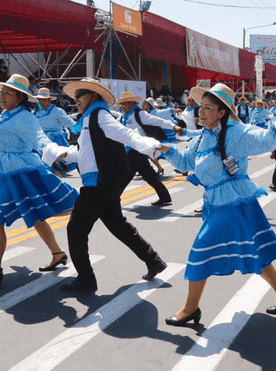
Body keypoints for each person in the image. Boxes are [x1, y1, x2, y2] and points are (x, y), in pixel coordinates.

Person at [156, 83, 276, 325]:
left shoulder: (235, 133)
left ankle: (190, 309)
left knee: (200, 252)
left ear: (222, 113)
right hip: (217, 205)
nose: (201, 112)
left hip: (233, 205)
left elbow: (268, 140)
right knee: (258, 254)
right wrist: (166, 149)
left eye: (207, 108)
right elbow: (186, 161)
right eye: (201, 107)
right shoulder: (202, 137)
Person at [0, 74, 79, 288]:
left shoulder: (24, 117)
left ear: (19, 98)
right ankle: (57, 253)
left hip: (18, 172)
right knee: (20, 216)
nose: (2, 96)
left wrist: (55, 150)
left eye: (8, 93)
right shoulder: (5, 115)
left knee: (0, 219)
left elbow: (39, 138)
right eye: (2, 92)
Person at [57, 78, 168, 291]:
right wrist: (60, 153)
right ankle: (153, 260)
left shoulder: (99, 115)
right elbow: (84, 151)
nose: (76, 98)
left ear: (94, 96)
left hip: (98, 184)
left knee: (76, 229)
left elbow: (125, 134)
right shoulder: (90, 118)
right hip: (103, 183)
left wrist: (152, 145)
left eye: (81, 94)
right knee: (119, 226)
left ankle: (86, 278)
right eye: (76, 95)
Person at [116, 91, 184, 206]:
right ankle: (165, 197)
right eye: (121, 105)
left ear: (131, 104)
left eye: (124, 104)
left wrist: (173, 126)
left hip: (137, 150)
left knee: (124, 175)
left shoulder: (140, 114)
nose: (121, 107)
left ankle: (113, 199)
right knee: (149, 175)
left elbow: (158, 121)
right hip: (131, 150)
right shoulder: (122, 117)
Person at [32, 87, 77, 176]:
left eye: (44, 100)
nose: (41, 102)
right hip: (41, 142)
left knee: (52, 168)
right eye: (39, 99)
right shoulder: (34, 113)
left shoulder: (56, 111)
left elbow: (70, 123)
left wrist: (84, 131)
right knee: (45, 168)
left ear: (49, 100)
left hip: (55, 141)